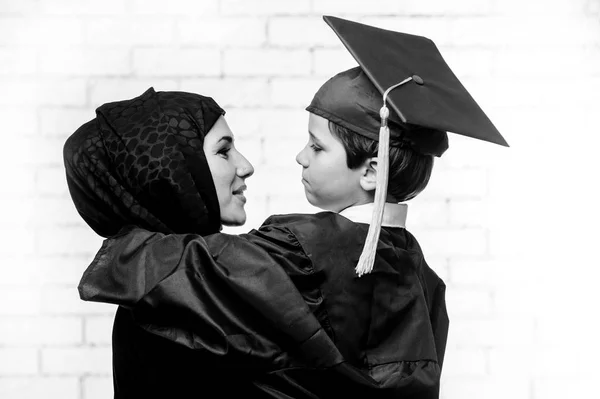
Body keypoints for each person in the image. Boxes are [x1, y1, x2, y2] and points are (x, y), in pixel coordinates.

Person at [69, 16, 509, 399]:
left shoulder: (300, 252)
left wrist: (121, 227)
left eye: (317, 147)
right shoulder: (423, 279)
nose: (300, 156)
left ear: (371, 171)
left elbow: (179, 272)